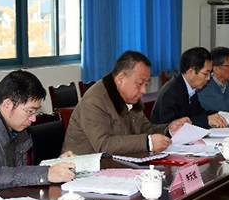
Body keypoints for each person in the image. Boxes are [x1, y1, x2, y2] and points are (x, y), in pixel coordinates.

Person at [0, 70, 76, 190]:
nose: (33, 118)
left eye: (35, 112)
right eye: (30, 111)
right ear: (7, 104)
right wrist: (45, 173)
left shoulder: (18, 128)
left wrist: (54, 166)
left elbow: (16, 174)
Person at [61, 51, 190, 155]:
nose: (143, 91)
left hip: (114, 165)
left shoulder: (130, 98)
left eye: (146, 84)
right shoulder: (95, 101)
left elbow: (145, 129)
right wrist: (147, 142)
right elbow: (104, 144)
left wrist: (168, 130)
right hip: (81, 171)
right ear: (121, 78)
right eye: (140, 83)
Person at [150, 47, 228, 128]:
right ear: (190, 71)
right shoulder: (171, 92)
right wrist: (206, 120)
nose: (208, 78)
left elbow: (199, 113)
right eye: (205, 74)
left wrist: (224, 115)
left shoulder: (190, 88)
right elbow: (171, 126)